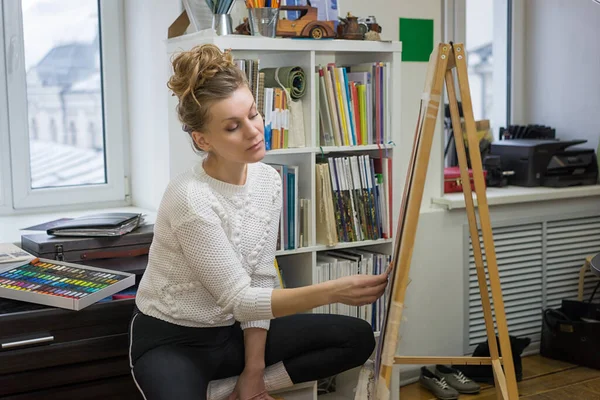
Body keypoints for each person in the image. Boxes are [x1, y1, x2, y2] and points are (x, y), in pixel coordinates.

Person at [129, 44, 390, 400]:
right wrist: (333, 291)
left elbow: (262, 277)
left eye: (254, 114)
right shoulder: (189, 196)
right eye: (233, 127)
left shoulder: (268, 181)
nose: (254, 131)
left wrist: (254, 373)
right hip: (172, 342)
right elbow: (240, 299)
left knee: (357, 337)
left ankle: (234, 389)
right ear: (203, 139)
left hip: (230, 334)